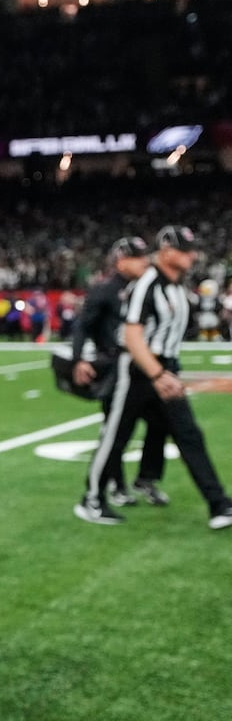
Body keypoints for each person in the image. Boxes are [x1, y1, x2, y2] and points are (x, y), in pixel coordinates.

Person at [79, 226, 232, 529]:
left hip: (164, 369)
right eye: (184, 249)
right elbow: (131, 335)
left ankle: (219, 504)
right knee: (115, 437)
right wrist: (158, 373)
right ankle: (91, 499)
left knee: (189, 434)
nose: (192, 255)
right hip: (137, 372)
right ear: (166, 251)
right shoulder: (146, 283)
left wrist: (168, 372)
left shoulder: (176, 286)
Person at [71, 236, 167, 520]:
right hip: (115, 368)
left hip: (144, 368)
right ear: (121, 260)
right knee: (115, 432)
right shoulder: (105, 290)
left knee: (161, 422)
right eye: (138, 257)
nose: (145, 262)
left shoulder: (147, 287)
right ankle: (116, 486)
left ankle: (145, 478)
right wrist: (79, 358)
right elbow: (82, 326)